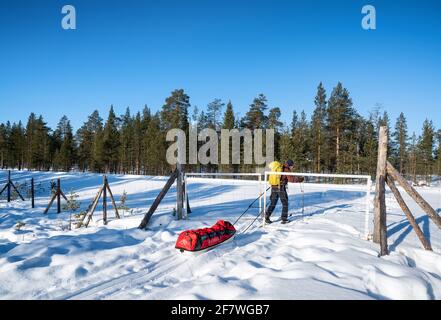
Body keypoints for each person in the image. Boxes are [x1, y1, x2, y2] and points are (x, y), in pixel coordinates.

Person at [265, 159, 304, 224]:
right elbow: (291, 179)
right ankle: (284, 219)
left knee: (273, 203)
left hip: (274, 186)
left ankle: (267, 217)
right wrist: (300, 179)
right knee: (285, 203)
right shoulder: (286, 169)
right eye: (292, 166)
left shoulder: (279, 167)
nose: (292, 167)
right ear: (290, 165)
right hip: (281, 187)